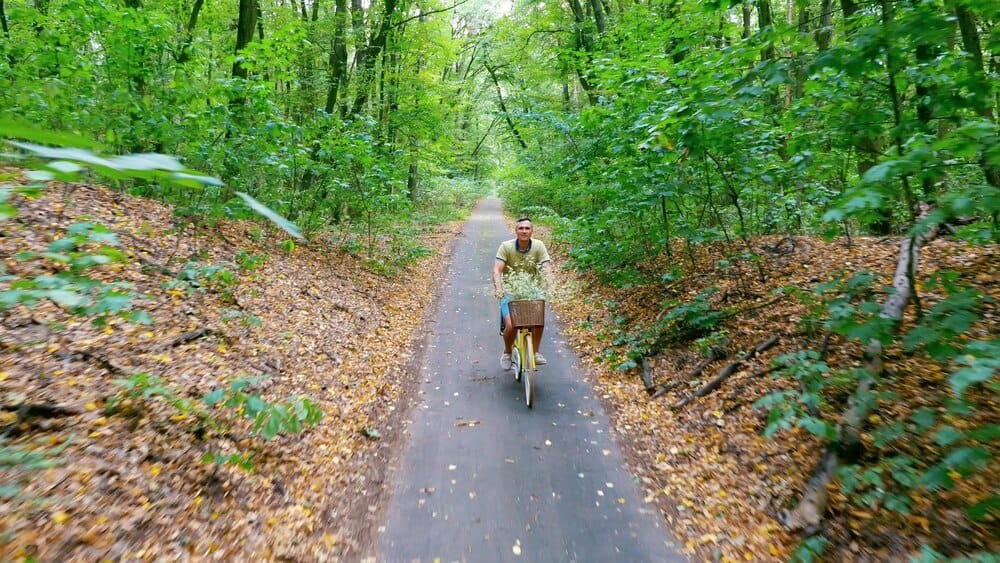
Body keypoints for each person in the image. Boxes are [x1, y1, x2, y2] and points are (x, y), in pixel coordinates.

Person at [492, 217, 553, 371]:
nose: (524, 231)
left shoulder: (539, 246)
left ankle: (536, 352)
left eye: (527, 228)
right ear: (516, 231)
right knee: (512, 325)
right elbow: (497, 270)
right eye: (521, 228)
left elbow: (546, 268)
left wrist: (549, 285)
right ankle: (507, 353)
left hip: (532, 288)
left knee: (538, 321)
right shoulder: (506, 246)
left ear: (532, 231)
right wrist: (499, 288)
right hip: (510, 289)